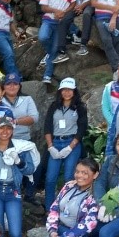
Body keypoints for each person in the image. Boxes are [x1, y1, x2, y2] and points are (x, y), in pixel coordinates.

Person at [43, 77, 88, 208]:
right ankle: (49, 208)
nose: (66, 92)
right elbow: (47, 126)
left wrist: (70, 147)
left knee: (69, 176)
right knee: (50, 178)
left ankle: (67, 207)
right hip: (56, 143)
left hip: (72, 142)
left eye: (69, 90)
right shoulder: (54, 106)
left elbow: (82, 128)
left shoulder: (80, 107)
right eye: (64, 90)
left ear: (74, 91)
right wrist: (50, 146)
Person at [2, 72, 40, 198]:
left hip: (24, 139)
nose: (12, 86)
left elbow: (34, 118)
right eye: (8, 84)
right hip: (5, 141)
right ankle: (12, 194)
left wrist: (15, 121)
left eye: (15, 84)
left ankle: (29, 197)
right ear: (4, 86)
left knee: (30, 167)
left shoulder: (27, 99)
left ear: (19, 85)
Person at [38, 0, 78, 84]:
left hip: (61, 23)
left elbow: (73, 4)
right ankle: (50, 54)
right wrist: (55, 11)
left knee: (55, 48)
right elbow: (44, 7)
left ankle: (47, 75)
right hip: (48, 20)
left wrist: (64, 13)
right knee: (42, 37)